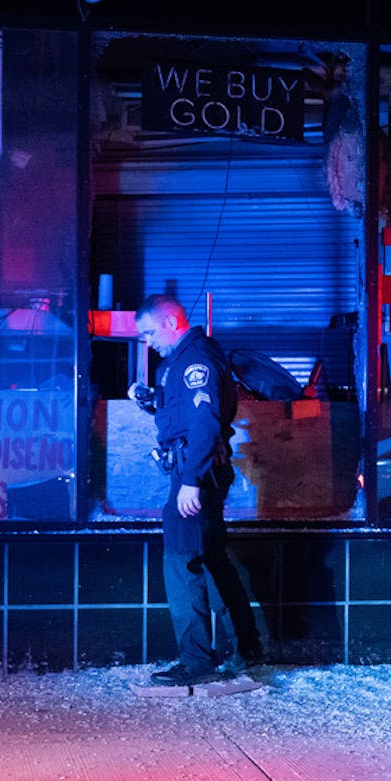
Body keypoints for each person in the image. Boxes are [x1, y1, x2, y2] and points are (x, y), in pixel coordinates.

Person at [129, 294, 264, 686]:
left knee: (181, 560)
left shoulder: (194, 362)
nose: (148, 342)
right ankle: (246, 647)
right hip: (200, 468)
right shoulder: (188, 358)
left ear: (171, 323)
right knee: (210, 558)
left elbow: (204, 424)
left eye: (150, 332)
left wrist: (190, 481)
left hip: (195, 473)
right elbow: (188, 413)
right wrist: (153, 401)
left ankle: (196, 659)